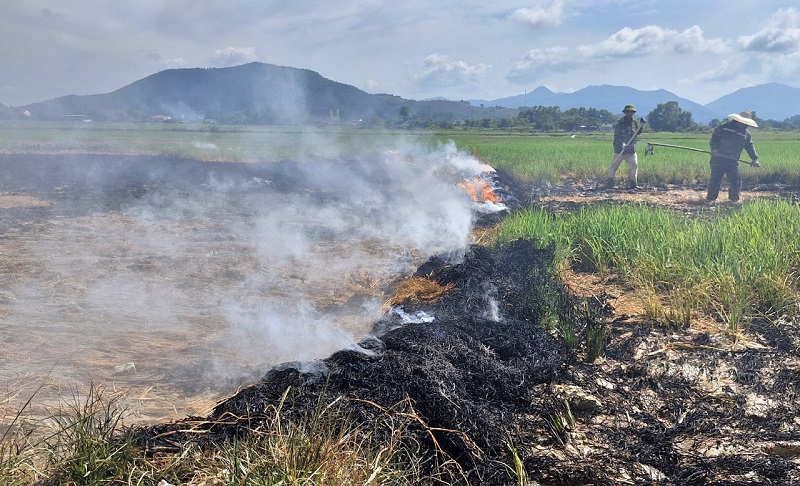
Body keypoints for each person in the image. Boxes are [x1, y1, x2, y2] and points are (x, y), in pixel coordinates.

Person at [706, 110, 760, 203]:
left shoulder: (746, 134)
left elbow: (749, 146)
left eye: (745, 123)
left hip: (733, 160)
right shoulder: (724, 127)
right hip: (718, 159)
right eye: (742, 122)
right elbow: (714, 140)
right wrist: (714, 149)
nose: (744, 124)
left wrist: (754, 159)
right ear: (737, 120)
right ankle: (710, 199)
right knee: (715, 179)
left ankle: (733, 200)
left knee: (735, 180)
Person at [603, 104, 644, 189]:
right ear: (625, 113)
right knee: (614, 166)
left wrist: (641, 125)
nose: (630, 113)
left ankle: (633, 184)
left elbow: (638, 133)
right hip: (620, 150)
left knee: (634, 166)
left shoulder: (634, 122)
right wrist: (622, 144)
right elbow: (617, 136)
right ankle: (610, 182)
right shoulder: (620, 123)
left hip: (631, 150)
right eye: (628, 112)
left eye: (631, 112)